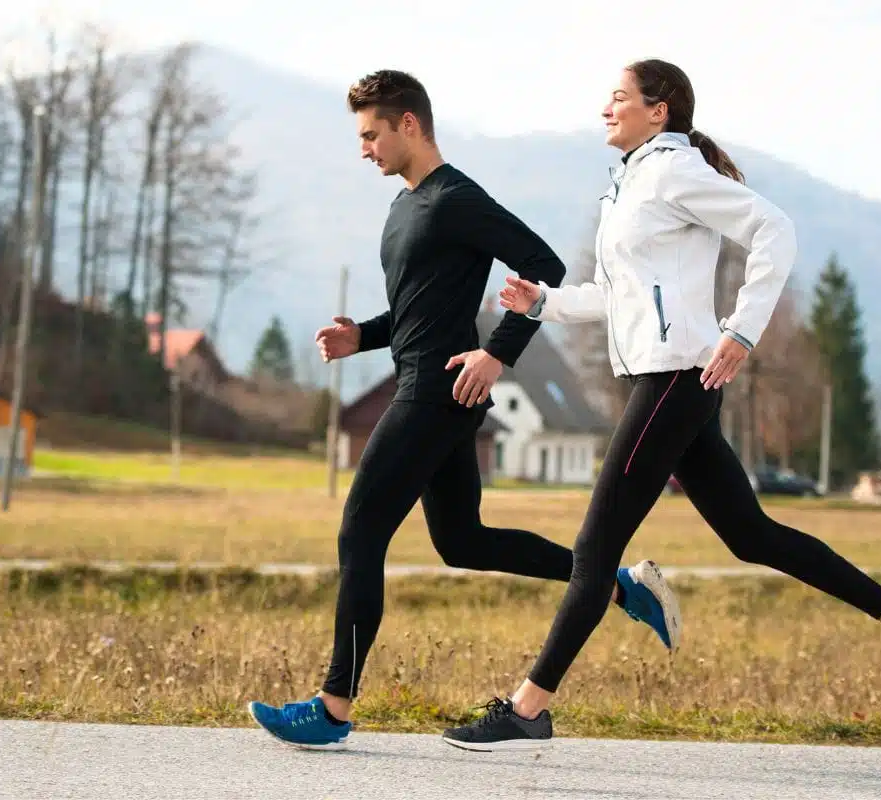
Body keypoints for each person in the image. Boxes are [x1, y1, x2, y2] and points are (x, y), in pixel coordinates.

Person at [442, 58, 881, 752]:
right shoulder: (630, 185)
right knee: (750, 536)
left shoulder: (675, 173)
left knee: (595, 550)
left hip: (675, 379)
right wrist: (545, 303)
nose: (606, 108)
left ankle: (529, 707)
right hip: (668, 378)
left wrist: (742, 331)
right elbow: (617, 294)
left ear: (660, 111)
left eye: (619, 97)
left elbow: (775, 230)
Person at [246, 69, 682, 750]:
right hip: (430, 386)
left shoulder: (455, 199)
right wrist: (363, 334)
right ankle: (617, 585)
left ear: (409, 124)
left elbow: (543, 267)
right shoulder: (405, 208)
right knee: (463, 542)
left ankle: (332, 706)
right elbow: (421, 311)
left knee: (360, 533)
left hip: (433, 394)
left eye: (371, 135)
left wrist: (499, 352)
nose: (364, 150)